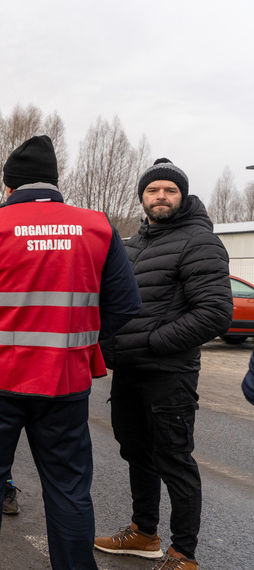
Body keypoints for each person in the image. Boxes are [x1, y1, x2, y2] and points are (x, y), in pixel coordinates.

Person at [0, 135, 142, 569]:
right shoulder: (97, 227)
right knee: (69, 489)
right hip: (64, 382)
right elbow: (126, 307)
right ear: (56, 183)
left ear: (9, 188)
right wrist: (77, 340)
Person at [94, 159, 233, 569]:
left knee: (174, 459)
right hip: (130, 372)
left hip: (168, 373)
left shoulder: (199, 241)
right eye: (153, 190)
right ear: (142, 196)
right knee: (137, 453)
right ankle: (144, 532)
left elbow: (214, 312)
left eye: (170, 191)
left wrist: (155, 344)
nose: (161, 196)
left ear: (182, 196)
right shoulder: (132, 245)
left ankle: (183, 553)